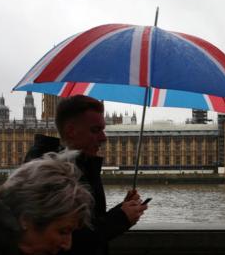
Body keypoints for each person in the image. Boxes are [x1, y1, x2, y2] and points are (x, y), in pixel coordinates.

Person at [25, 95, 148, 255]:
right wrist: (120, 219)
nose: (104, 138)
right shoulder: (46, 174)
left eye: (103, 130)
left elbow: (87, 223)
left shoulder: (78, 166)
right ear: (71, 131)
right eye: (95, 130)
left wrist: (122, 209)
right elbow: (67, 243)